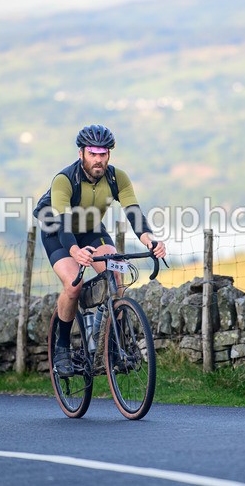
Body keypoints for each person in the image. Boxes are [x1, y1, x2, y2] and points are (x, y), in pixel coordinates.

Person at [34, 124, 166, 376]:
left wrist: (150, 241)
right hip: (58, 232)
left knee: (115, 277)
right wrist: (73, 250)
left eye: (103, 153)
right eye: (93, 153)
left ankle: (111, 347)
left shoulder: (117, 178)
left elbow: (134, 214)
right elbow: (62, 226)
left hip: (91, 229)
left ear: (109, 155)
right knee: (73, 285)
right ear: (81, 153)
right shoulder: (64, 180)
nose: (98, 159)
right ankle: (62, 349)